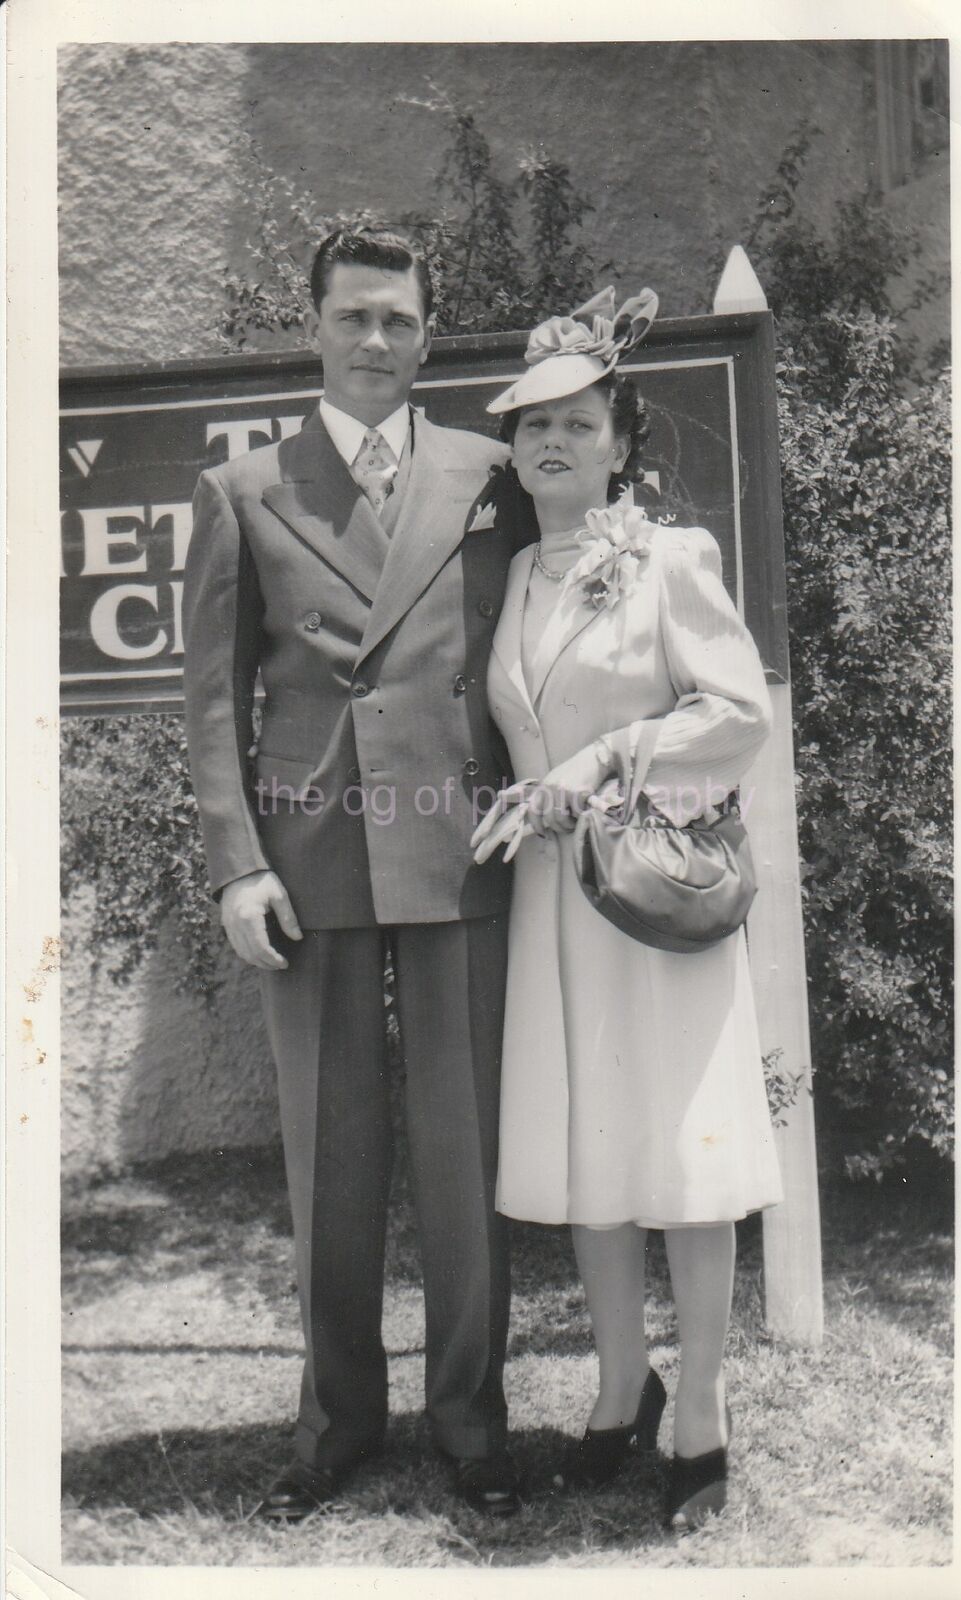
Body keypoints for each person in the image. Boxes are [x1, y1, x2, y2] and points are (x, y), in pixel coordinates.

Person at [183, 226, 526, 1520]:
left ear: (429, 334)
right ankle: (335, 1425)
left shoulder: (488, 476)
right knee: (329, 1155)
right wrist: (234, 868)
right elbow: (210, 701)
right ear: (314, 328)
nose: (374, 340)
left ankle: (470, 1418)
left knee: (463, 1150)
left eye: (397, 319)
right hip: (310, 855)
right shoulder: (244, 488)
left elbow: (534, 637)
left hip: (456, 845)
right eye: (352, 317)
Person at [471, 288, 784, 1532]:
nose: (553, 443)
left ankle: (700, 1411)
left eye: (577, 423)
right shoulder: (508, 577)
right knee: (592, 1150)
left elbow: (738, 713)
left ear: (620, 439)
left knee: (684, 1159)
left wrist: (598, 765)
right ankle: (619, 1391)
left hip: (654, 904)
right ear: (513, 449)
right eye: (532, 426)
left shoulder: (669, 559)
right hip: (552, 908)